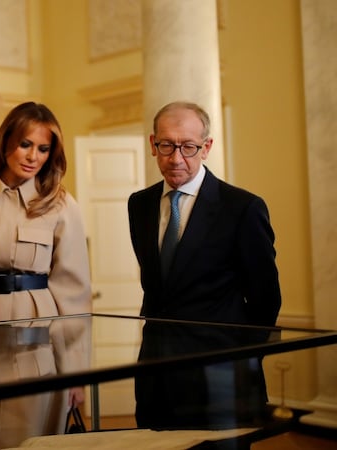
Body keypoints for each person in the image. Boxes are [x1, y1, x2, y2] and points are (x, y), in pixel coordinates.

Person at [127, 101, 282, 429]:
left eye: (188, 146)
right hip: (155, 368)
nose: (176, 158)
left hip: (220, 370)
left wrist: (243, 362)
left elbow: (265, 298)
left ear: (207, 147)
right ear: (153, 144)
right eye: (167, 145)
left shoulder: (242, 207)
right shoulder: (139, 204)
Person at [0, 102, 92, 449]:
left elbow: (73, 293)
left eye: (44, 149)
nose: (34, 156)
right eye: (25, 144)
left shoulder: (60, 204)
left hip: (37, 342)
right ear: (6, 142)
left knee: (29, 437)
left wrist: (76, 373)